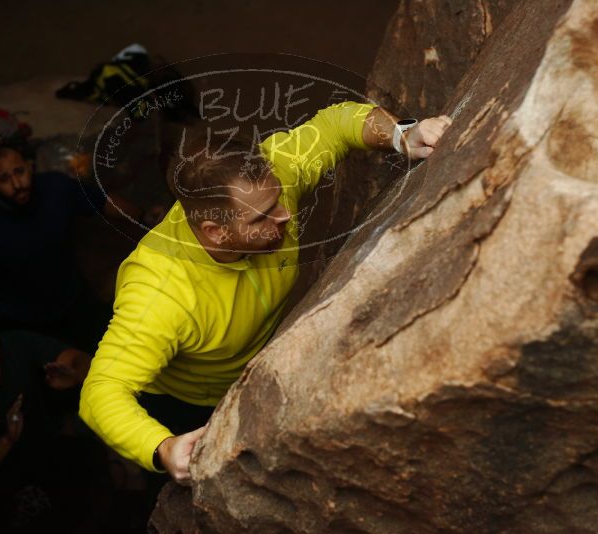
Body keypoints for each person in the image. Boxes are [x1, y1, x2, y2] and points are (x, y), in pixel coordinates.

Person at [79, 101, 453, 485]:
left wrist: (403, 132)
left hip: (258, 356)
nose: (285, 215)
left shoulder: (269, 184)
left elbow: (334, 124)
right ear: (215, 232)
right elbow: (101, 391)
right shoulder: (159, 295)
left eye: (277, 198)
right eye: (263, 216)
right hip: (189, 403)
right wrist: (161, 446)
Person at [0, 144, 141, 352]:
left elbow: (103, 201)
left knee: (126, 349)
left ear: (30, 167)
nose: (17, 184)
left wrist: (145, 219)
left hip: (75, 302)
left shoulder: (57, 187)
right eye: (4, 179)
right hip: (23, 324)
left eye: (19, 172)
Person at [0, 311, 101, 530]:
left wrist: (74, 373)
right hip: (2, 482)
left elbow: (82, 360)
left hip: (47, 451)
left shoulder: (14, 344)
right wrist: (8, 439)